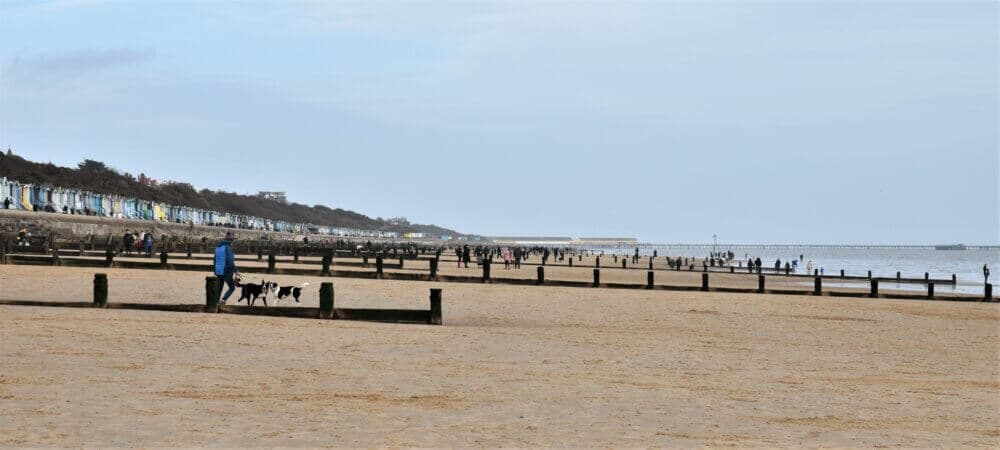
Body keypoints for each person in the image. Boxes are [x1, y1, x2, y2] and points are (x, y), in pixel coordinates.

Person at [214, 232, 238, 305]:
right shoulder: (228, 247)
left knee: (219, 288)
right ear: (231, 240)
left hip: (218, 271)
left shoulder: (218, 247)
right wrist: (235, 271)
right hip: (226, 271)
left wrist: (215, 270)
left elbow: (214, 259)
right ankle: (223, 300)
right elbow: (230, 261)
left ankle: (216, 301)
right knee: (232, 287)